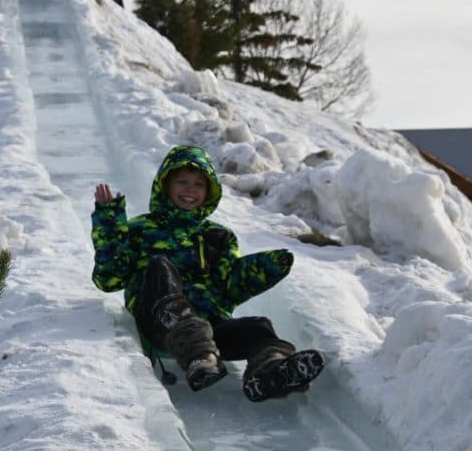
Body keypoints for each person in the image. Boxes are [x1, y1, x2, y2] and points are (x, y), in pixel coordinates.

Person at [91, 145, 324, 400]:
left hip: (209, 331)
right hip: (160, 326)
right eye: (182, 182)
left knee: (259, 327)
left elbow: (228, 286)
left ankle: (269, 372)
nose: (190, 190)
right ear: (165, 185)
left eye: (199, 185)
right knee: (160, 267)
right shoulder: (140, 229)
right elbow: (110, 279)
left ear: (210, 191)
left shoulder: (219, 236)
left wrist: (259, 270)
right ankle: (197, 354)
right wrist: (110, 223)